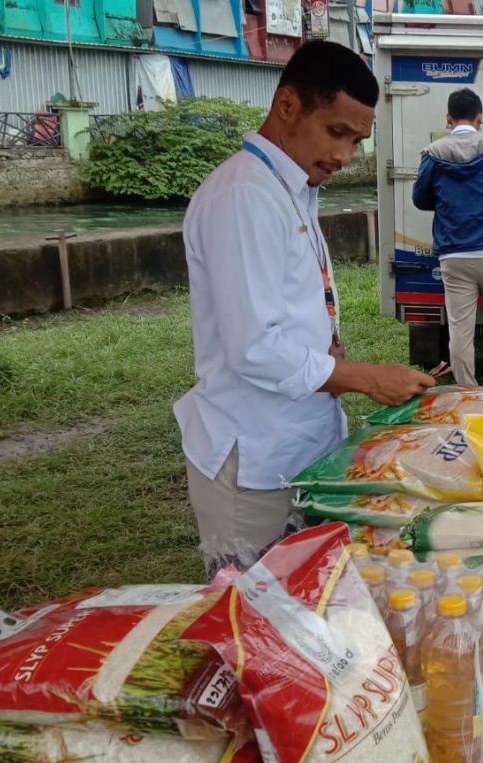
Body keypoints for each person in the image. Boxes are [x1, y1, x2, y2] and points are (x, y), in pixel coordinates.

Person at [175, 42, 435, 577]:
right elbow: (255, 348)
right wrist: (364, 378)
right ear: (288, 105)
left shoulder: (290, 187)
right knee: (255, 628)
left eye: (357, 141)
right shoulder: (244, 195)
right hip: (254, 457)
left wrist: (327, 350)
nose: (344, 155)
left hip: (297, 446)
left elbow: (283, 312)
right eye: (336, 132)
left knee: (307, 612)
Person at [413, 88, 483, 392]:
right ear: (480, 118)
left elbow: (420, 199)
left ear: (448, 119)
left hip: (454, 256)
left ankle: (467, 396)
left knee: (461, 331)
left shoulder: (433, 153)